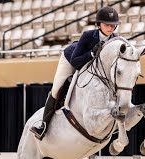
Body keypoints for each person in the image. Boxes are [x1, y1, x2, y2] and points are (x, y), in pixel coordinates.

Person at [30, 6, 120, 140]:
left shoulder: (115, 39)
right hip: (70, 59)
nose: (111, 28)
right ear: (98, 24)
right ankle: (43, 125)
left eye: (113, 25)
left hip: (93, 69)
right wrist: (91, 53)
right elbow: (75, 61)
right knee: (56, 89)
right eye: (107, 24)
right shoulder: (88, 36)